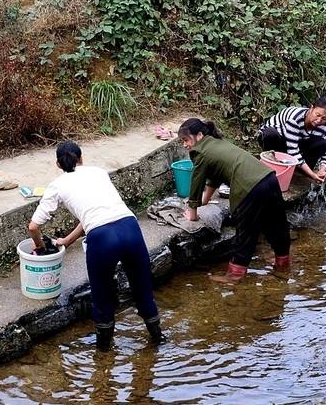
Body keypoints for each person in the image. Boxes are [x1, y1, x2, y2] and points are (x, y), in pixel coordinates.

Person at [27, 141, 165, 351]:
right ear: (81, 158)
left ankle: (103, 356)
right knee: (143, 290)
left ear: (58, 164)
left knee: (102, 297)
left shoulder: (57, 185)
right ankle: (158, 341)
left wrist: (39, 246)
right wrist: (67, 240)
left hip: (101, 239)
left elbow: (33, 226)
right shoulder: (99, 173)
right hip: (130, 228)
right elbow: (94, 212)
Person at [178, 118, 291, 284]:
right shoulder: (217, 143)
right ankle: (283, 263)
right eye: (182, 141)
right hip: (269, 178)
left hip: (250, 187)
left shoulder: (200, 152)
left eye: (186, 140)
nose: (185, 145)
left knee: (246, 232)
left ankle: (234, 276)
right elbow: (215, 177)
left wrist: (193, 215)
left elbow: (196, 183)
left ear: (199, 135)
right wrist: (205, 200)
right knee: (276, 224)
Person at [258, 96, 326, 185]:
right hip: (278, 140)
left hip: (297, 142)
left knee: (322, 144)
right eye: (317, 115)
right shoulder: (295, 119)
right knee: (270, 134)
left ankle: (302, 171)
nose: (319, 120)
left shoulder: (325, 127)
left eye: (324, 119)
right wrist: (313, 174)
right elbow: (293, 151)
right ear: (311, 108)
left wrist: (323, 169)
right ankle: (273, 165)